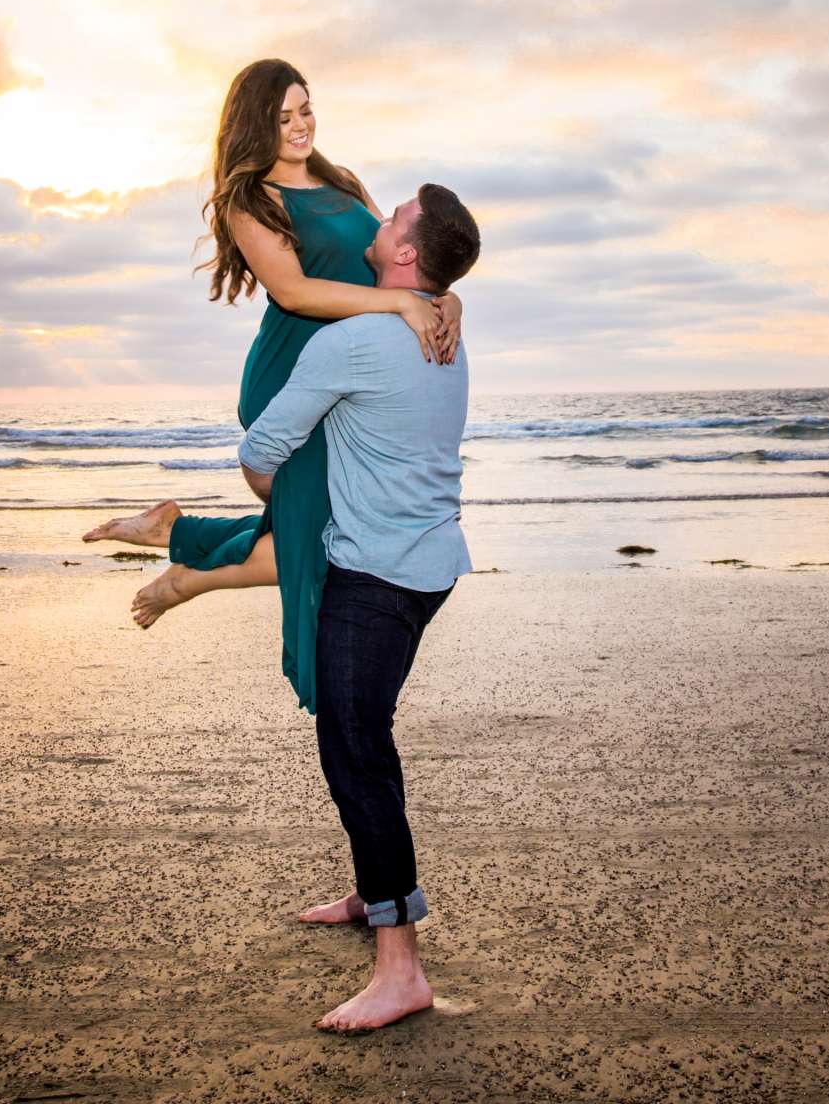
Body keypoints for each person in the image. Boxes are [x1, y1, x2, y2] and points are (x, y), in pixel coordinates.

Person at [80, 59, 463, 715]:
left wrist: (446, 300)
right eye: (283, 116)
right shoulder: (249, 199)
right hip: (292, 370)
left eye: (306, 109)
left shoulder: (341, 180)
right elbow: (293, 290)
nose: (300, 126)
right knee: (320, 533)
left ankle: (176, 535)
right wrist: (402, 309)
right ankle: (185, 576)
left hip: (343, 373)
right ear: (256, 124)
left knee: (322, 526)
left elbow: (395, 266)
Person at [236, 182, 482, 1033]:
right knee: (363, 736)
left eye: (391, 219)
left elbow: (260, 451)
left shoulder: (355, 342)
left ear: (406, 253)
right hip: (432, 567)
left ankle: (400, 965)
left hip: (374, 578)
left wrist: (296, 510)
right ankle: (371, 892)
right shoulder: (446, 319)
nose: (375, 223)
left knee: (355, 750)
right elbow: (435, 291)